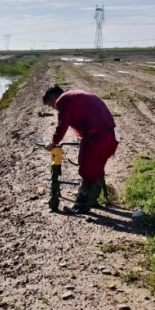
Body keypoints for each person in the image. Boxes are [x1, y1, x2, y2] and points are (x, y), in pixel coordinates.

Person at [42, 85, 118, 214]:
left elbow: (62, 124)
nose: (54, 108)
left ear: (54, 98)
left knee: (87, 170)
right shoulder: (75, 95)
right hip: (109, 135)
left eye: (50, 105)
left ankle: (81, 206)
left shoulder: (63, 100)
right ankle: (92, 200)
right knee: (97, 169)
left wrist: (53, 142)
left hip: (95, 136)